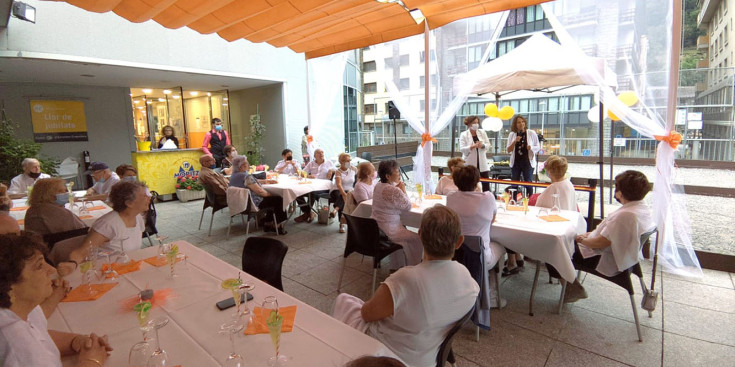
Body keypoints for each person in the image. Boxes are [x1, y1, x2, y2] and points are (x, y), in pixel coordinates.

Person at [333, 205, 479, 367]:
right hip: (428, 356)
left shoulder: (405, 279)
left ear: (420, 235)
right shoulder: (469, 282)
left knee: (344, 300)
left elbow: (367, 314)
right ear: (459, 241)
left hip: (388, 355)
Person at [0, 233, 112, 367]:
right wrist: (92, 361)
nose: (52, 270)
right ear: (9, 287)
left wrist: (76, 341)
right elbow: (26, 345)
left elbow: (39, 333)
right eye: (39, 266)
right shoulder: (16, 344)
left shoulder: (18, 309)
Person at [564, 170, 655, 303]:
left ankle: (573, 288)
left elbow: (602, 242)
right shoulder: (641, 208)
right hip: (627, 258)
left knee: (555, 247)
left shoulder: (625, 215)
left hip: (604, 258)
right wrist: (589, 235)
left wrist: (583, 240)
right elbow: (610, 233)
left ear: (621, 192)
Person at [446, 165, 506, 307]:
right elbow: (492, 219)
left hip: (457, 253)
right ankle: (491, 294)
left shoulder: (451, 197)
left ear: (455, 182)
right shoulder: (487, 197)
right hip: (480, 256)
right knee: (501, 246)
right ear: (477, 181)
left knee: (484, 245)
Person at [73, 181, 149, 263]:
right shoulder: (107, 224)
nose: (149, 198)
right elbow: (82, 252)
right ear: (129, 203)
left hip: (128, 265)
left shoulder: (138, 217)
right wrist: (71, 263)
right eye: (145, 196)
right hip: (106, 268)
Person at [371, 160, 422, 267]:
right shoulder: (393, 190)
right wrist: (403, 189)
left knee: (405, 229)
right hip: (389, 231)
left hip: (375, 228)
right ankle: (414, 267)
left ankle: (397, 265)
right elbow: (408, 206)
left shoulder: (378, 186)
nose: (400, 174)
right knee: (418, 239)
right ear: (388, 176)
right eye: (397, 172)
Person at [229, 156, 287, 234]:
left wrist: (266, 181)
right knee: (279, 199)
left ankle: (268, 223)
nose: (249, 164)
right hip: (251, 204)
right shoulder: (246, 176)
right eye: (247, 162)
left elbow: (252, 182)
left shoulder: (234, 175)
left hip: (240, 203)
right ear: (242, 166)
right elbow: (260, 192)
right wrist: (271, 194)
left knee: (272, 200)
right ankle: (276, 225)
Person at [295, 149, 335, 223]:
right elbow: (303, 172)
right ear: (314, 156)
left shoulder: (329, 162)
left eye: (322, 152)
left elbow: (337, 169)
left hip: (324, 187)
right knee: (297, 192)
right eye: (319, 153)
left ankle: (307, 214)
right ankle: (308, 212)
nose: (321, 154)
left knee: (312, 192)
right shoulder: (311, 163)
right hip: (311, 185)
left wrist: (331, 170)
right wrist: (308, 175)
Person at [505, 115, 540, 197]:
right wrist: (514, 141)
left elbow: (538, 147)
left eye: (523, 122)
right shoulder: (512, 134)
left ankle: (530, 200)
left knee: (528, 182)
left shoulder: (531, 133)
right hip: (516, 162)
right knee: (514, 183)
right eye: (519, 122)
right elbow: (508, 150)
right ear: (515, 124)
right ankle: (514, 201)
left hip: (527, 162)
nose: (521, 124)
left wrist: (531, 147)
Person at [459, 116, 491, 192]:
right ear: (469, 124)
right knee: (469, 183)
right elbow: (462, 149)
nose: (476, 124)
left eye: (477, 122)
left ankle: (487, 198)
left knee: (485, 183)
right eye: (474, 123)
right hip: (470, 162)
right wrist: (471, 146)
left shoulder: (482, 132)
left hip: (482, 163)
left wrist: (482, 145)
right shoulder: (464, 134)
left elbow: (488, 144)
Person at [331, 153, 357, 233]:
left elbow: (358, 180)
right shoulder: (338, 171)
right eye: (347, 161)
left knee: (346, 196)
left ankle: (336, 209)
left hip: (350, 190)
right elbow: (339, 184)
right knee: (343, 197)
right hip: (337, 190)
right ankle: (341, 224)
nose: (349, 162)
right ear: (341, 162)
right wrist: (343, 194)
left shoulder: (354, 169)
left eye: (350, 160)